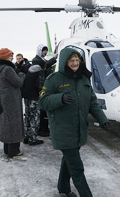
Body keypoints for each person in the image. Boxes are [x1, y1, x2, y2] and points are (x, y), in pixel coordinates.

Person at [38, 48, 109, 197]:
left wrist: (102, 119)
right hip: (63, 130)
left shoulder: (83, 79)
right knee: (77, 167)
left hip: (79, 129)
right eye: (72, 60)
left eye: (77, 60)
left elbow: (92, 102)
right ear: (65, 61)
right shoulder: (54, 79)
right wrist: (60, 98)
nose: (75, 63)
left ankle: (63, 188)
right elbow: (42, 101)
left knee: (68, 160)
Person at [0, 48, 25, 158]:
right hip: (12, 99)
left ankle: (7, 149)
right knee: (14, 124)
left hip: (4, 98)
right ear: (6, 57)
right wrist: (22, 73)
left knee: (7, 123)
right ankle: (14, 150)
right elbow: (18, 82)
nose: (12, 57)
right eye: (10, 55)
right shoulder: (7, 69)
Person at [33, 44, 58, 137]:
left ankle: (44, 128)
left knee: (43, 110)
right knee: (42, 110)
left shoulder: (41, 59)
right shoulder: (37, 60)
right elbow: (45, 65)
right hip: (40, 88)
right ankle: (41, 129)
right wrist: (54, 58)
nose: (45, 52)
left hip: (43, 87)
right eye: (44, 51)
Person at [21, 61, 46, 145]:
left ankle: (26, 137)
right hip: (34, 98)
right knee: (35, 117)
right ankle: (33, 138)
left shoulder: (30, 71)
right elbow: (40, 86)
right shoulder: (40, 72)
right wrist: (43, 96)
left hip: (26, 97)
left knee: (27, 116)